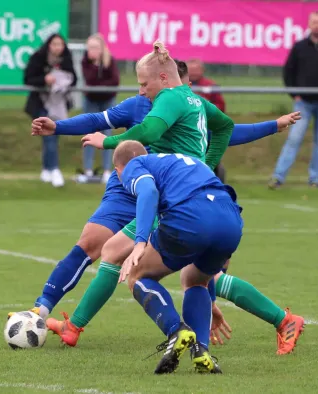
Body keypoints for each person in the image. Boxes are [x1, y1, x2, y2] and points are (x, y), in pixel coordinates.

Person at [21, 53, 303, 354]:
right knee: (173, 269)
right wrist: (61, 127)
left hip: (175, 199)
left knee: (150, 264)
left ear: (167, 80)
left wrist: (110, 143)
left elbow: (161, 134)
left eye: (145, 83)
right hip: (182, 194)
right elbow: (100, 119)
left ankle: (238, 325)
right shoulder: (165, 104)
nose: (142, 89)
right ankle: (62, 319)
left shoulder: (177, 102)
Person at [114, 141, 242, 374]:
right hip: (230, 219)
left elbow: (148, 191)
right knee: (196, 280)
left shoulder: (134, 165)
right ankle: (201, 352)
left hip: (192, 216)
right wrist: (211, 302)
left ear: (118, 171)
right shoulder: (183, 160)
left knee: (137, 275)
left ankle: (176, 330)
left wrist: (139, 242)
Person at [270, 11, 318, 189]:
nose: (317, 25)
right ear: (309, 24)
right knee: (294, 138)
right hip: (303, 103)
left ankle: (315, 179)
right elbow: (288, 72)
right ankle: (278, 176)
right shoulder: (299, 47)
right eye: (314, 22)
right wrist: (294, 93)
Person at [24, 34, 77, 188]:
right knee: (48, 135)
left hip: (59, 103)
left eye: (60, 44)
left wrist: (64, 80)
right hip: (41, 102)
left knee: (54, 135)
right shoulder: (38, 58)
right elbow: (28, 79)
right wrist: (44, 80)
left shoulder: (66, 60)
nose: (57, 47)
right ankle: (54, 170)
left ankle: (47, 169)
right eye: (54, 44)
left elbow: (74, 79)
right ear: (48, 45)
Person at [80, 33, 120, 184]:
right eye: (90, 47)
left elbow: (114, 81)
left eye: (95, 47)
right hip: (90, 101)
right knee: (89, 134)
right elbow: (89, 79)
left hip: (107, 101)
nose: (92, 50)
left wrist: (100, 85)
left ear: (102, 48)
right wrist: (96, 69)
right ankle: (88, 169)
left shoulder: (110, 62)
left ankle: (107, 170)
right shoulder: (86, 62)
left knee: (107, 135)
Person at [186, 59, 228, 182]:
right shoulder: (179, 86)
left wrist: (206, 112)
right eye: (190, 70)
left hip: (206, 129)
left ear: (202, 70)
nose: (193, 73)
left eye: (196, 69)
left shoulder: (210, 86)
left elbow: (221, 107)